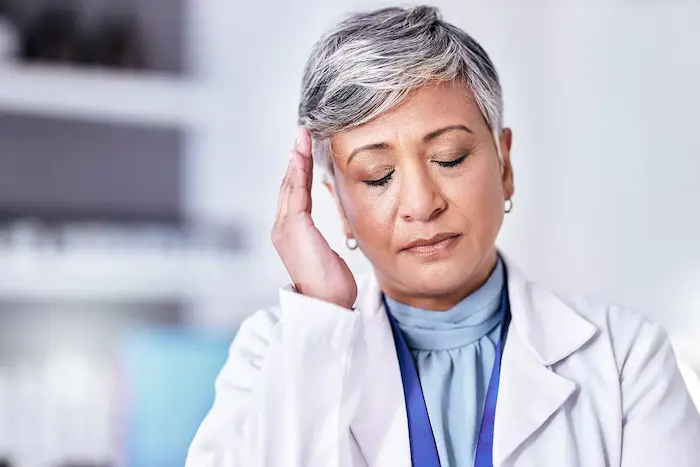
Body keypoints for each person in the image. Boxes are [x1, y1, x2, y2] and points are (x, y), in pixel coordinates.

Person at [186, 5, 700, 467]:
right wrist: (321, 315)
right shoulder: (270, 352)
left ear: (505, 166)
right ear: (339, 205)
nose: (420, 203)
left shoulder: (627, 358)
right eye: (377, 175)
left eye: (449, 157)